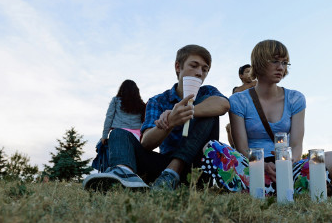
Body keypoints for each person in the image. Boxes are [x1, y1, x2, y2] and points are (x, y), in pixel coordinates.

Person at [83, 44, 230, 191]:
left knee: (209, 112)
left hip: (198, 169)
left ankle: (173, 172)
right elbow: (146, 142)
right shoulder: (158, 100)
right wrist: (170, 121)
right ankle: (124, 173)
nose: (199, 73)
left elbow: (223, 104)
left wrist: (186, 111)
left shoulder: (208, 92)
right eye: (194, 65)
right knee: (118, 133)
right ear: (178, 67)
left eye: (205, 70)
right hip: (162, 167)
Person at [228, 39, 332, 196]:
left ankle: (273, 185)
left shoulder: (295, 98)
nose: (281, 67)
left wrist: (286, 164)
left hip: (286, 165)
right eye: (274, 61)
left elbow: (296, 145)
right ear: (259, 62)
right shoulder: (238, 100)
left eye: (285, 62)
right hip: (252, 165)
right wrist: (262, 165)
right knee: (211, 148)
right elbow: (241, 148)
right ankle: (306, 184)